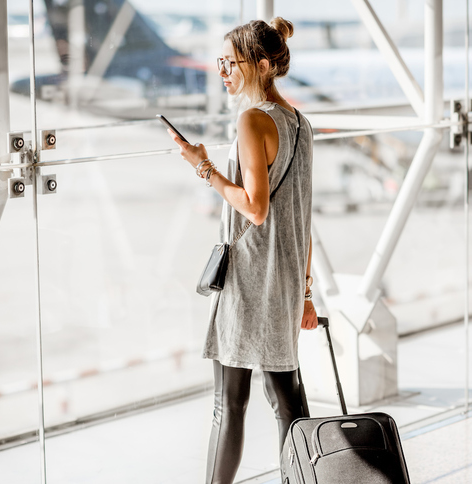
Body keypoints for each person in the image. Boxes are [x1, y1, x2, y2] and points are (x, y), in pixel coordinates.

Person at [167, 16, 317, 484]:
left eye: (229, 63)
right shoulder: (299, 121)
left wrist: (204, 167)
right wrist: (306, 293)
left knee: (229, 404)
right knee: (289, 403)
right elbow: (304, 217)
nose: (222, 71)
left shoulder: (252, 119)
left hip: (251, 281)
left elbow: (254, 208)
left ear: (260, 64)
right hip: (287, 278)